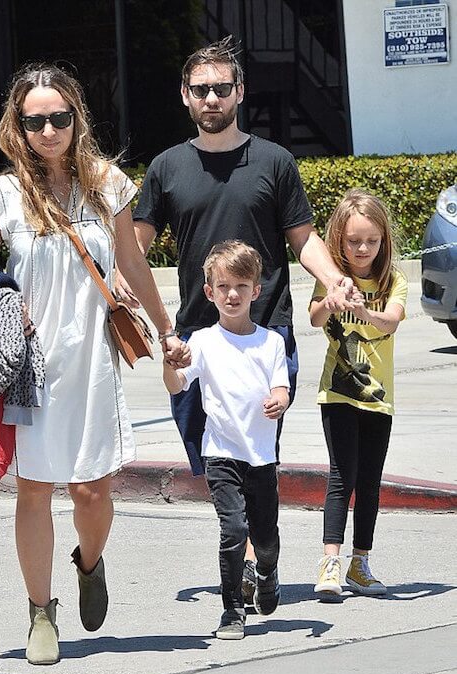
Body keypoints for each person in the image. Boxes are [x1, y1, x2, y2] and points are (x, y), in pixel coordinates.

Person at [0, 63, 188, 665]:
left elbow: (132, 265)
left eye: (58, 117)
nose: (47, 130)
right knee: (34, 489)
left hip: (92, 358)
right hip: (30, 365)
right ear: (19, 126)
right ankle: (41, 611)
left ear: (75, 119)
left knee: (92, 491)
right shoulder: (1, 196)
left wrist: (166, 329)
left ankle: (89, 563)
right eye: (34, 121)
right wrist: (2, 312)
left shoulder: (107, 184)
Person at [120, 36, 353, 601]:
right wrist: (117, 294)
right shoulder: (167, 168)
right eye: (200, 89)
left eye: (222, 88)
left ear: (240, 92)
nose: (211, 98)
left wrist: (334, 279)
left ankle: (247, 555)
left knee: (252, 449)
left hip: (265, 334)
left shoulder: (274, 162)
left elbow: (303, 240)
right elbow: (134, 248)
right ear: (184, 96)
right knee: (212, 457)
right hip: (196, 342)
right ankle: (249, 543)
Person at [163, 240, 290, 640]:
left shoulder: (270, 342)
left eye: (240, 285)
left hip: (261, 455)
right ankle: (232, 609)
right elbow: (178, 384)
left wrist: (279, 400)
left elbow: (282, 388)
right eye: (222, 287)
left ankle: (266, 572)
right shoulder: (202, 340)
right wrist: (169, 366)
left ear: (257, 290)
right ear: (209, 292)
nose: (231, 294)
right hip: (221, 453)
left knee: (265, 538)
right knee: (233, 530)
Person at [309, 189, 407, 602]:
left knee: (369, 483)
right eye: (353, 241)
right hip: (337, 393)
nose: (362, 248)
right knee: (340, 476)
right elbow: (314, 318)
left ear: (383, 240)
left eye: (371, 240)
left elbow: (391, 323)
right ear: (338, 241)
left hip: (378, 397)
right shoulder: (330, 276)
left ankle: (360, 562)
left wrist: (365, 311)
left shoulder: (393, 281)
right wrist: (331, 299)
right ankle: (330, 561)